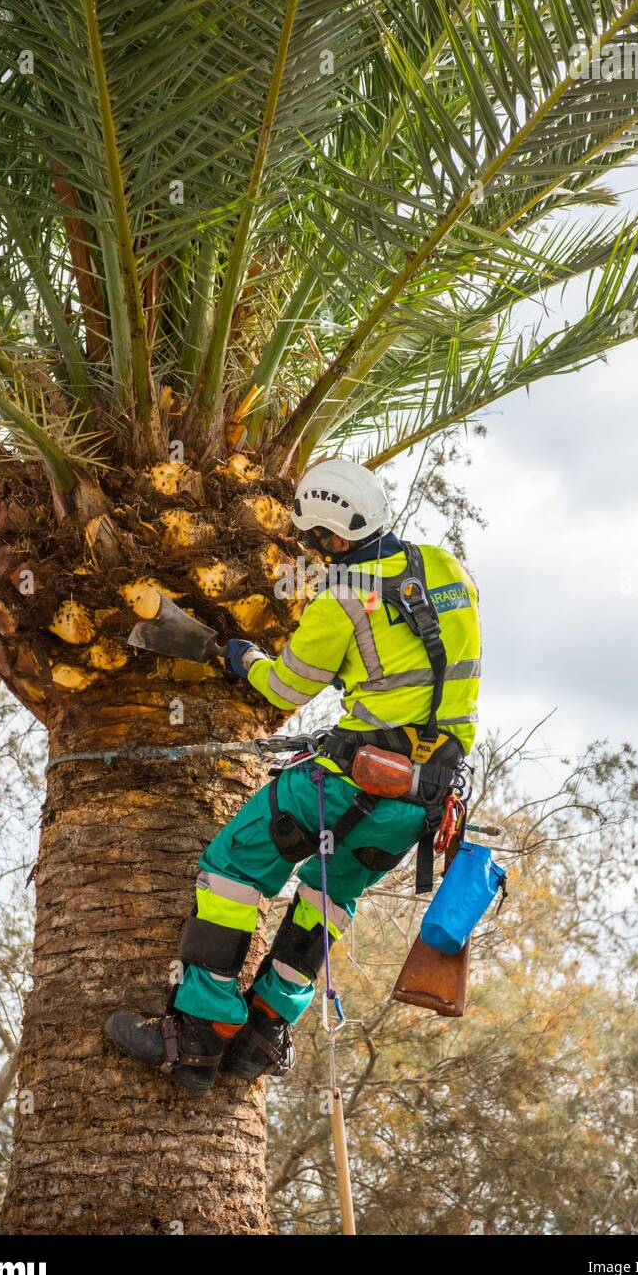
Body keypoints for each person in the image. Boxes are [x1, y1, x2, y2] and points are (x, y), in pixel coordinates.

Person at [106, 458, 482, 1094]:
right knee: (328, 895)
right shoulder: (448, 569)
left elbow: (284, 689)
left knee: (234, 865)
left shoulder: (342, 600)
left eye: (314, 540)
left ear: (334, 537)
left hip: (349, 785)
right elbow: (418, 656)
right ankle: (264, 1032)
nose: (314, 551)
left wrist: (234, 653)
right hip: (424, 800)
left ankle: (199, 1031)